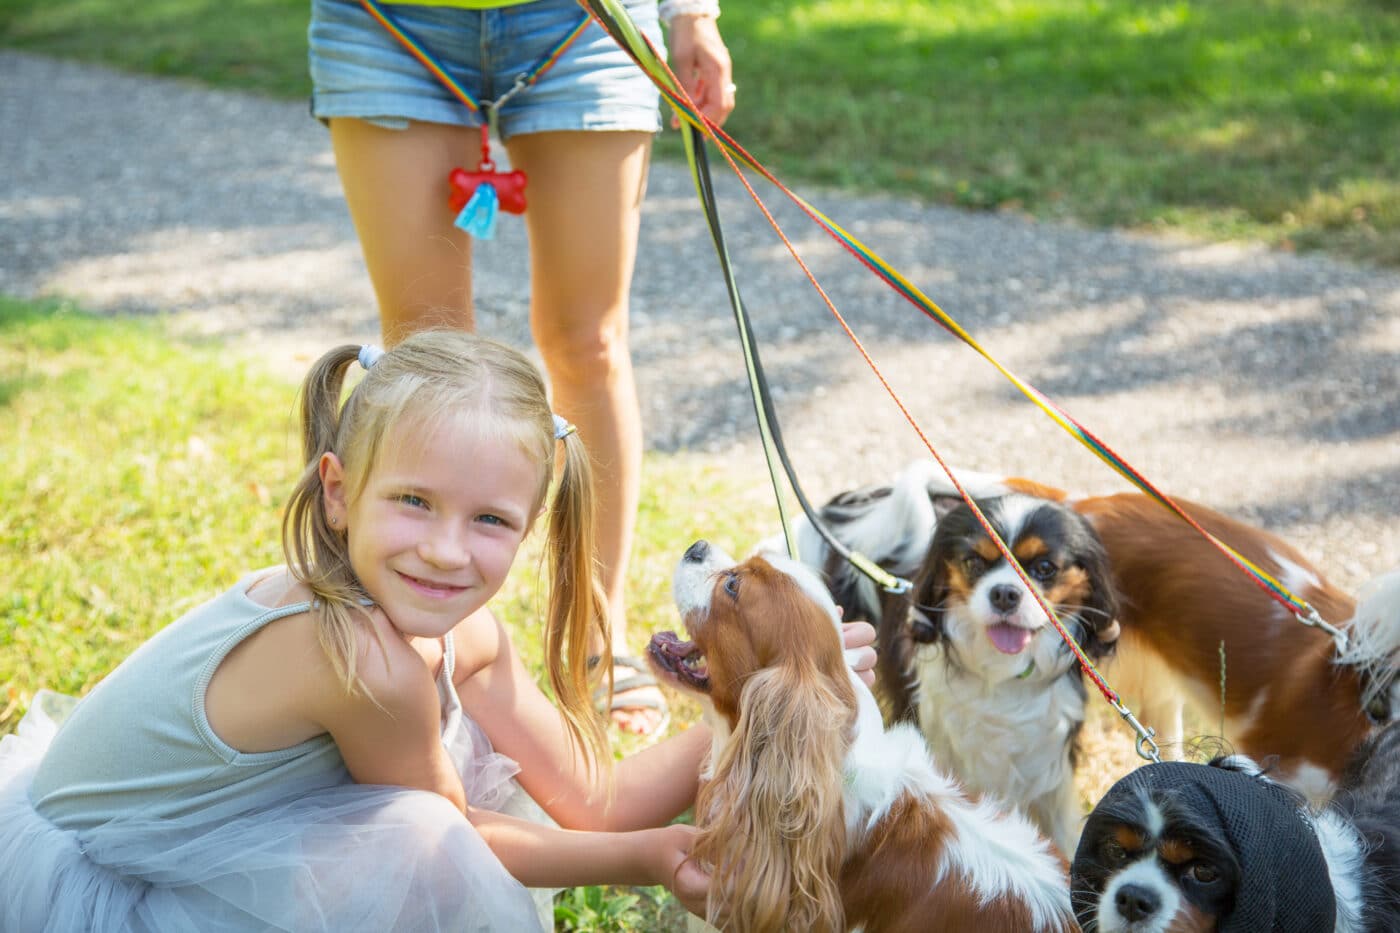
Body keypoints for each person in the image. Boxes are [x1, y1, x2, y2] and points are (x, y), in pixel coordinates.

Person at [0, 331, 876, 930]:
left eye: (490, 519)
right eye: (413, 501)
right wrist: (646, 857)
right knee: (419, 846)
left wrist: (770, 693)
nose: (447, 551)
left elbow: (593, 801)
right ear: (339, 491)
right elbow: (454, 848)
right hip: (109, 887)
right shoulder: (356, 659)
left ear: (529, 525)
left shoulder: (465, 634)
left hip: (194, 846)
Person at [309, 0, 736, 737]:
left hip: (583, 23)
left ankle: (594, 636)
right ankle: (426, 642)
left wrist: (693, 14)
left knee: (588, 343)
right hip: (387, 22)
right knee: (424, 360)